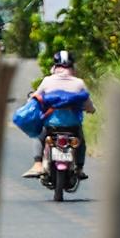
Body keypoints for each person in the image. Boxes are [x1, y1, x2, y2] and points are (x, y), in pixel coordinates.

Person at [24, 50, 95, 178]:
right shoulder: (79, 83)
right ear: (72, 66)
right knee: (81, 142)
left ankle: (37, 164)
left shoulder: (47, 81)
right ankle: (79, 169)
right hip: (73, 125)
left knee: (40, 137)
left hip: (51, 125)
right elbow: (88, 104)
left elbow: (36, 97)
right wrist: (91, 110)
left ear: (55, 66)